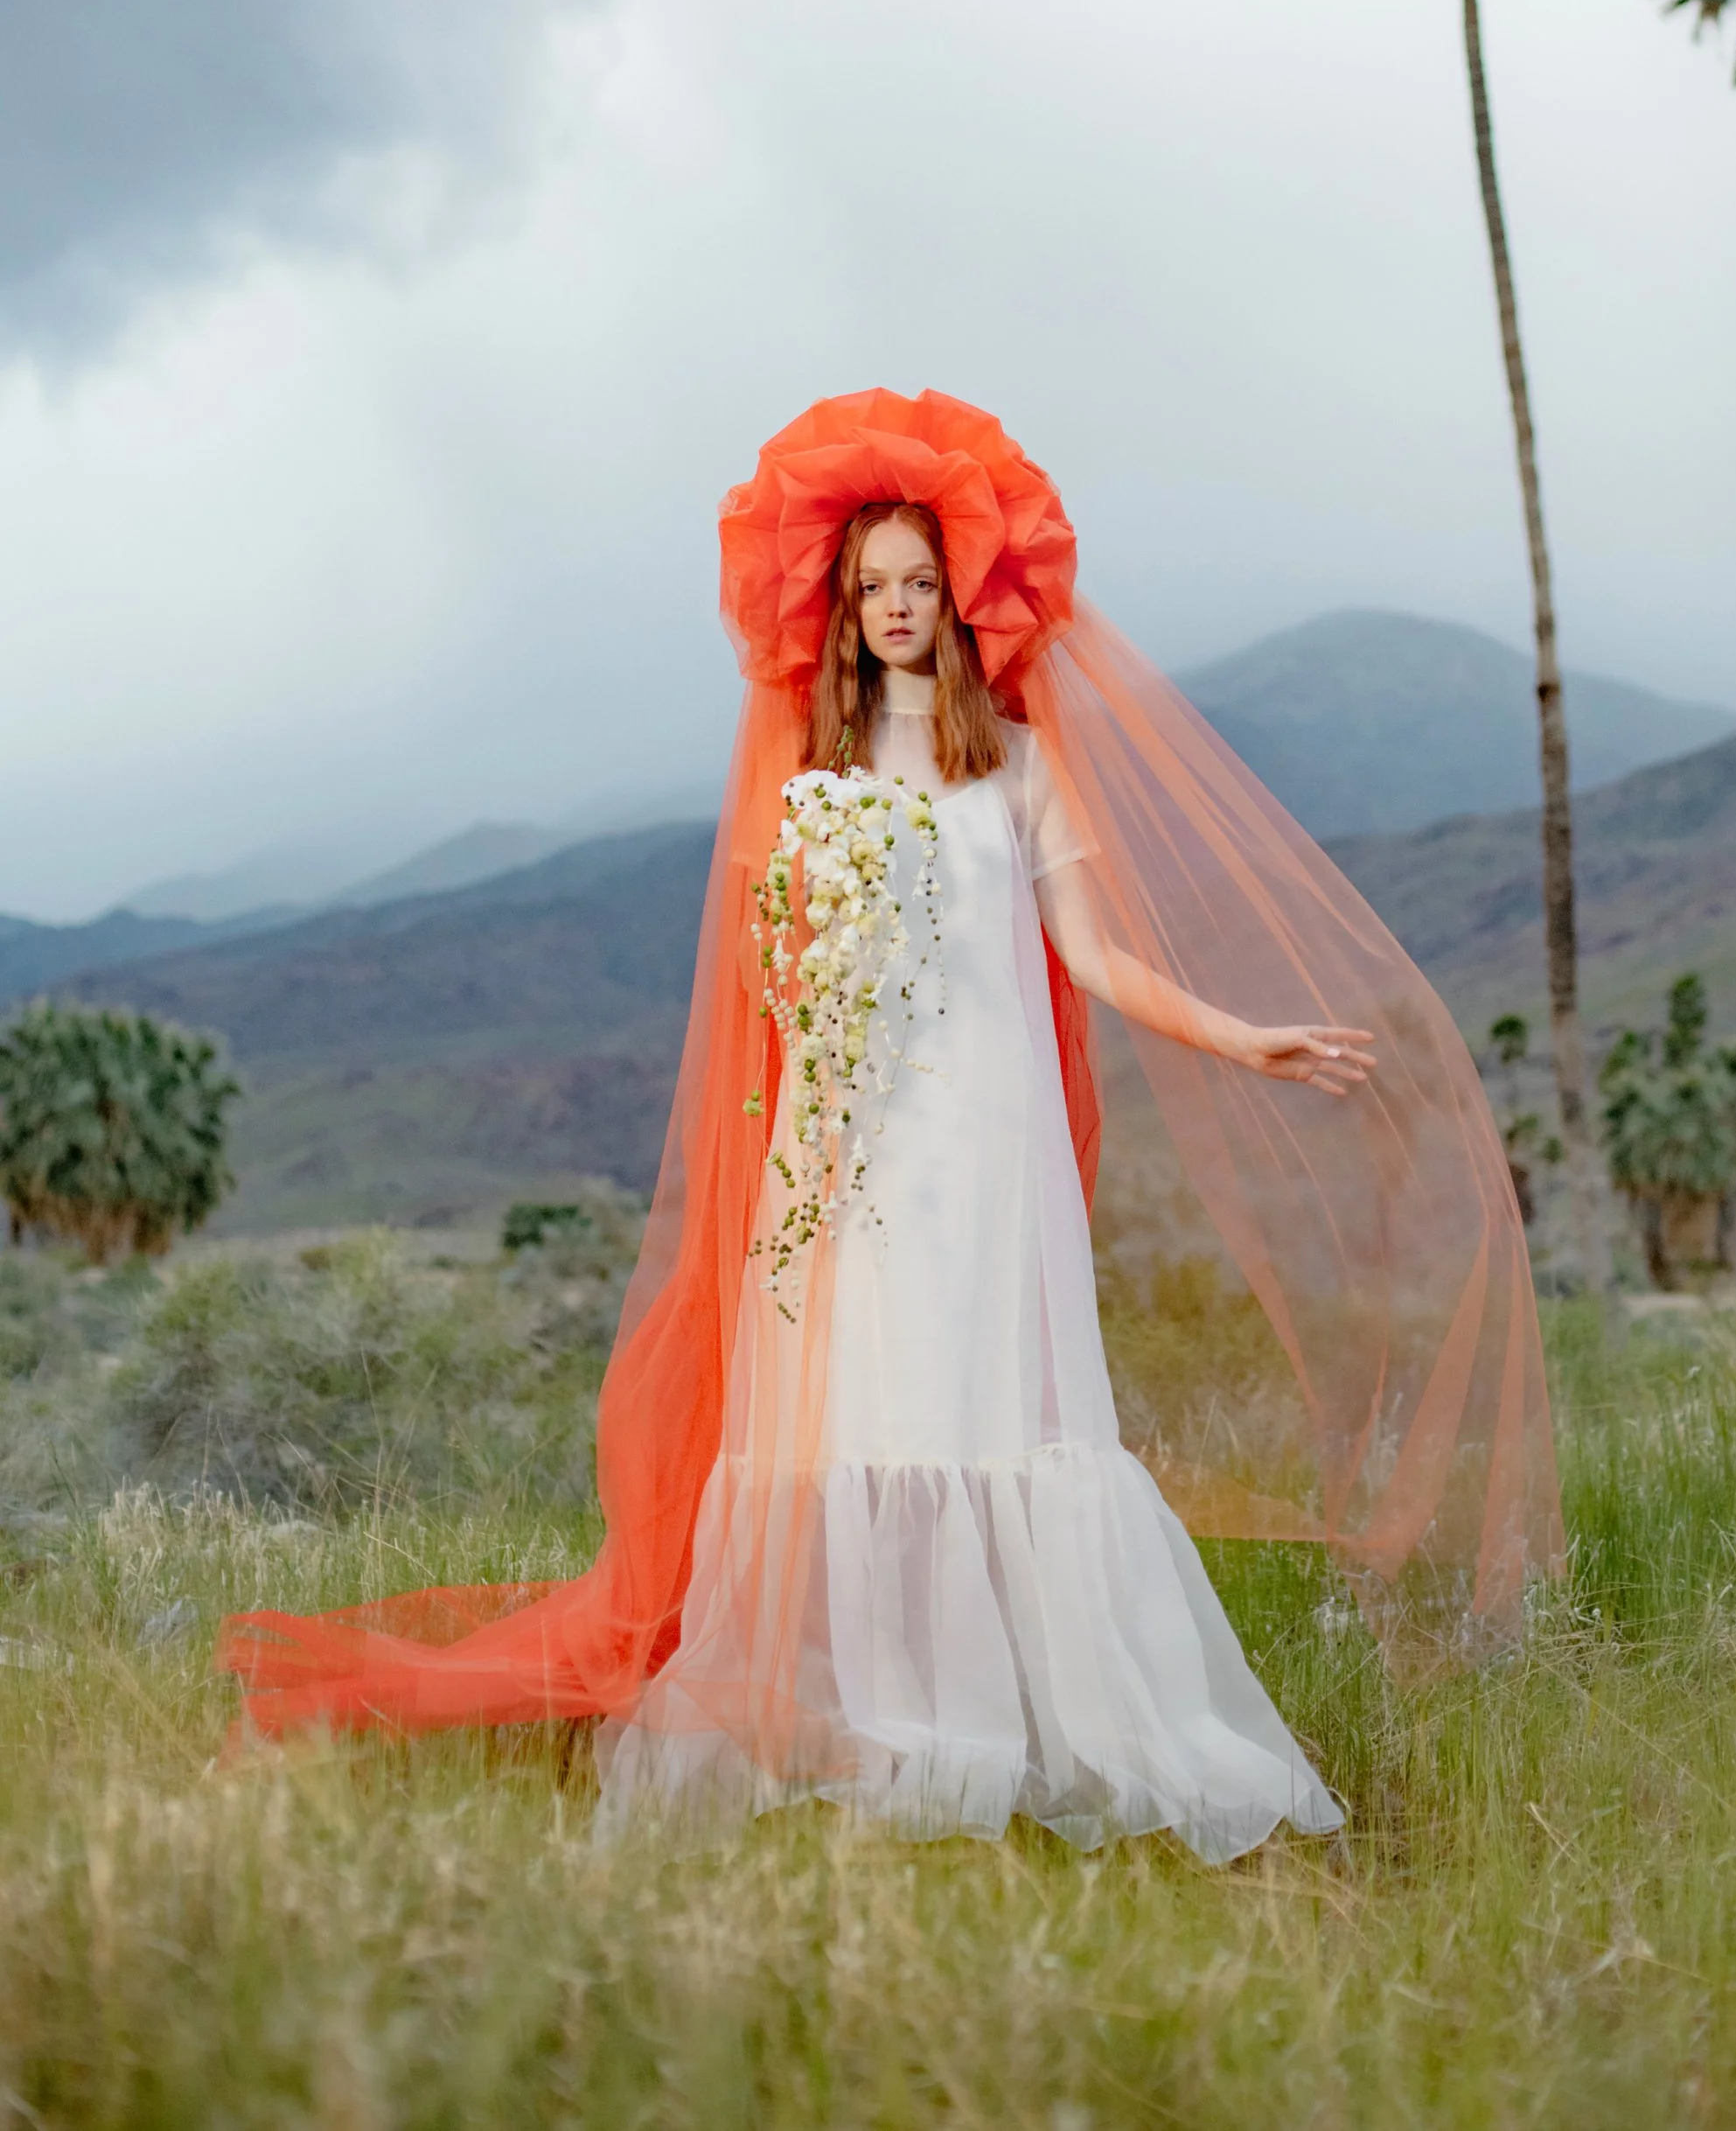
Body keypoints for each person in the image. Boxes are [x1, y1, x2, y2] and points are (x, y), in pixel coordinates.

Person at [222, 391, 1560, 1863]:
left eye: (923, 580)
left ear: (960, 596)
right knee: (865, 1409)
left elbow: (1095, 957)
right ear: (845, 610)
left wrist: (1244, 1036)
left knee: (996, 1410)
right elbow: (772, 984)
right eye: (876, 587)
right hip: (852, 1153)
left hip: (991, 1151)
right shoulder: (816, 782)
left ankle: (1025, 1718)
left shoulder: (1021, 765)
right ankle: (858, 1712)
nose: (902, 607)